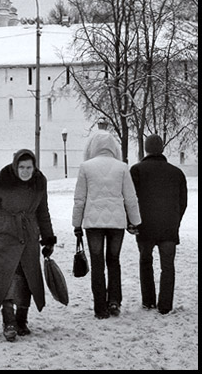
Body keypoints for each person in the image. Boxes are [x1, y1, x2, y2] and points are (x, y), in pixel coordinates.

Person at [0, 149, 56, 342]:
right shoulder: (1, 179)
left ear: (34, 167)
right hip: (3, 236)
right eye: (22, 167)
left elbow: (43, 211)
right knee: (6, 279)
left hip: (28, 236)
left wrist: (48, 237)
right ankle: (8, 321)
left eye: (29, 167)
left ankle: (21, 320)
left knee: (27, 278)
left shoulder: (39, 181)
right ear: (15, 166)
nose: (25, 171)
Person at [72, 130, 141, 319]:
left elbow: (80, 199)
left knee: (97, 263)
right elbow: (130, 198)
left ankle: (99, 308)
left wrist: (76, 224)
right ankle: (114, 302)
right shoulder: (122, 167)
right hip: (116, 223)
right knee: (114, 261)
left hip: (93, 223)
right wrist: (135, 221)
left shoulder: (85, 167)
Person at [130, 134, 188, 315]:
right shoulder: (176, 173)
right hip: (168, 226)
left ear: (146, 149)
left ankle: (148, 301)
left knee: (145, 261)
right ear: (162, 149)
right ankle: (165, 305)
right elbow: (183, 201)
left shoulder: (137, 170)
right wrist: (175, 220)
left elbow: (131, 199)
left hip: (144, 225)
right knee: (168, 266)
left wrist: (132, 223)